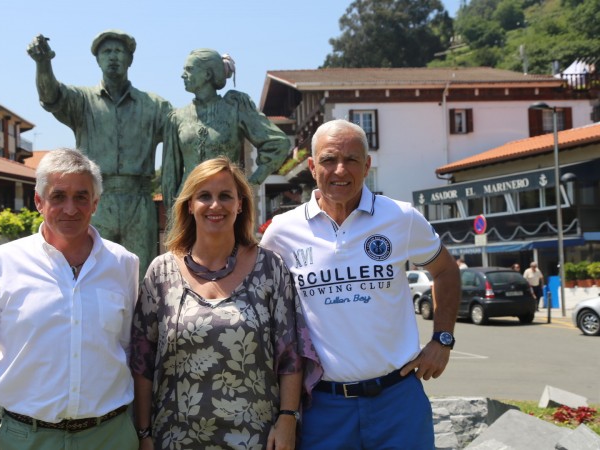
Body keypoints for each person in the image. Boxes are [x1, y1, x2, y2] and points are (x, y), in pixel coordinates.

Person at [261, 119, 461, 449]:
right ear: (312, 167)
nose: (340, 170)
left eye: (351, 159)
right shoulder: (282, 231)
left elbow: (446, 270)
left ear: (367, 165)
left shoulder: (401, 217)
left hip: (398, 400)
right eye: (328, 160)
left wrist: (442, 339)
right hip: (322, 407)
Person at [0, 149, 140, 450]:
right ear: (39, 201)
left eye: (81, 197)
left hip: (109, 437)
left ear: (95, 203)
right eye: (58, 196)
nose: (70, 208)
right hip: (27, 438)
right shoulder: (2, 263)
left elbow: (128, 350)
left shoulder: (124, 264)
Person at [130, 157, 321, 450]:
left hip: (256, 438)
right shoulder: (161, 272)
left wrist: (287, 418)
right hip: (175, 438)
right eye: (204, 196)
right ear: (190, 205)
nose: (215, 205)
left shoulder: (270, 267)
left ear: (240, 204)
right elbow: (142, 363)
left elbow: (290, 355)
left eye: (225, 196)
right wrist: (143, 434)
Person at [28, 30, 172, 279]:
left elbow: (183, 132)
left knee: (142, 274)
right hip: (95, 198)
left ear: (130, 59)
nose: (113, 57)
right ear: (97, 60)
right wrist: (43, 63)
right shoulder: (83, 101)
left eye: (119, 51)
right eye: (106, 52)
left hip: (138, 199)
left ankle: (143, 319)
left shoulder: (154, 105)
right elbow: (51, 96)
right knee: (92, 271)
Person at [161, 49, 290, 211]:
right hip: (188, 204)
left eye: (189, 69)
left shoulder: (235, 107)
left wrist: (251, 182)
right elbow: (170, 175)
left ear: (207, 75)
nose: (183, 75)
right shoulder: (177, 118)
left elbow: (278, 143)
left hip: (225, 202)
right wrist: (173, 215)